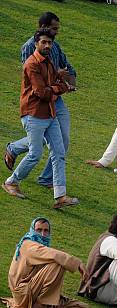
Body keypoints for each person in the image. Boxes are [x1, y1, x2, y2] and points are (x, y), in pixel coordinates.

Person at [2, 28, 78, 208]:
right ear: (36, 43)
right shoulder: (32, 64)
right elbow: (42, 92)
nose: (47, 45)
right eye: (43, 42)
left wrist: (57, 87)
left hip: (49, 113)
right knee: (35, 154)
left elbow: (55, 85)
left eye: (49, 42)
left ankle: (60, 196)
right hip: (33, 114)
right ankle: (11, 182)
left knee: (59, 153)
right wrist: (60, 88)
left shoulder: (49, 62)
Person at [1, 217, 88, 308]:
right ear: (32, 230)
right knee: (57, 263)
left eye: (46, 231)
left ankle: (46, 305)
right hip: (23, 292)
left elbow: (49, 253)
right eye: (39, 230)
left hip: (34, 289)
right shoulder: (28, 245)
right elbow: (53, 254)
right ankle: (40, 305)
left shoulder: (41, 245)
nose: (42, 234)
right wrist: (78, 264)